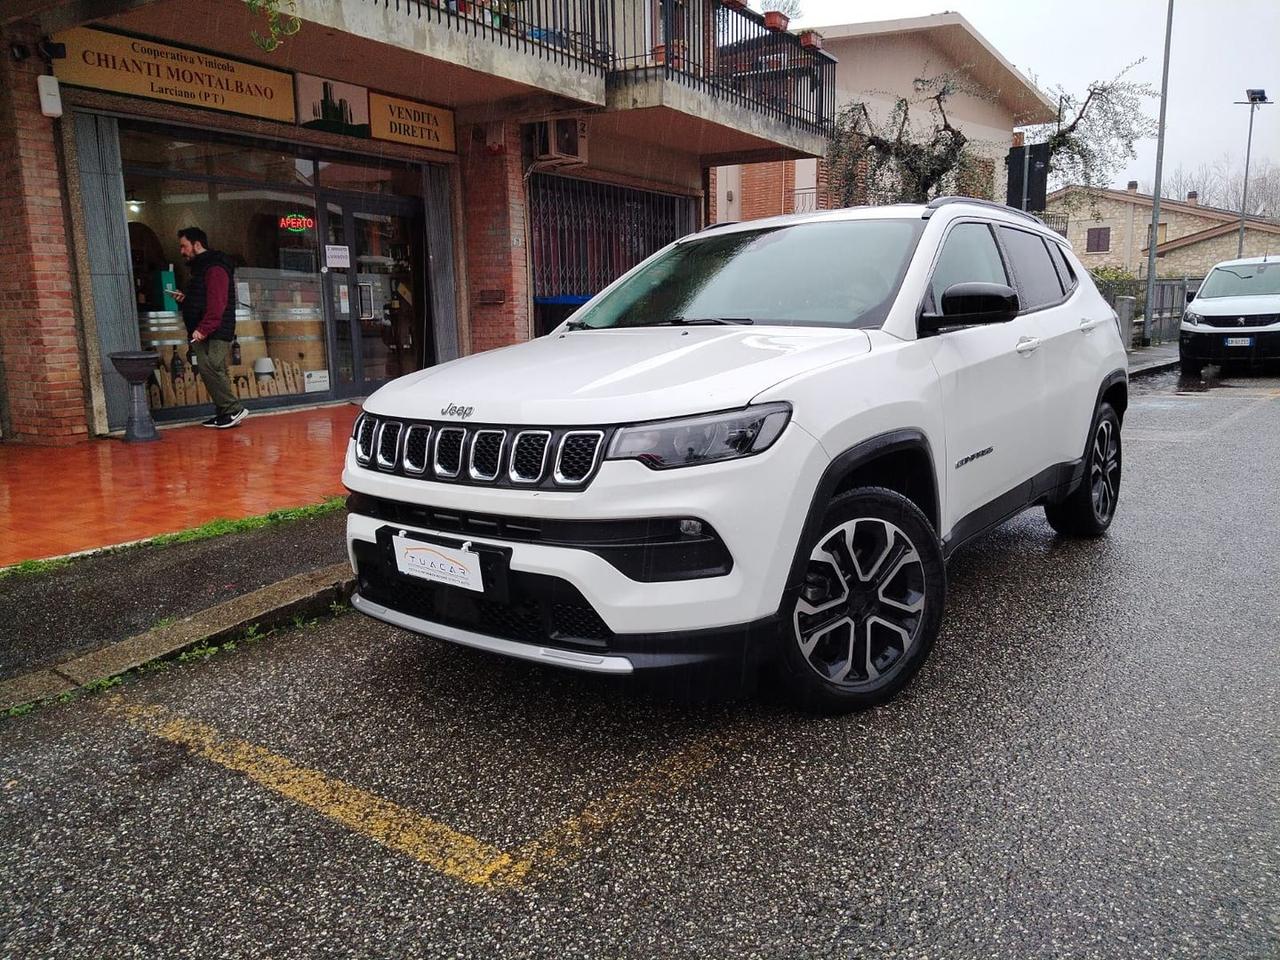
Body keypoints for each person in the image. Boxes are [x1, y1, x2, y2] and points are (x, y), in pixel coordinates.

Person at [173, 227, 247, 429]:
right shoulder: (201, 268)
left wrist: (204, 328)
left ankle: (233, 409)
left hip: (216, 329)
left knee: (210, 367)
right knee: (216, 369)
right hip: (206, 327)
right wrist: (185, 300)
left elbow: (218, 302)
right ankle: (225, 413)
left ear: (197, 245)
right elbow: (203, 300)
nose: (182, 251)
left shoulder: (215, 268)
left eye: (184, 246)